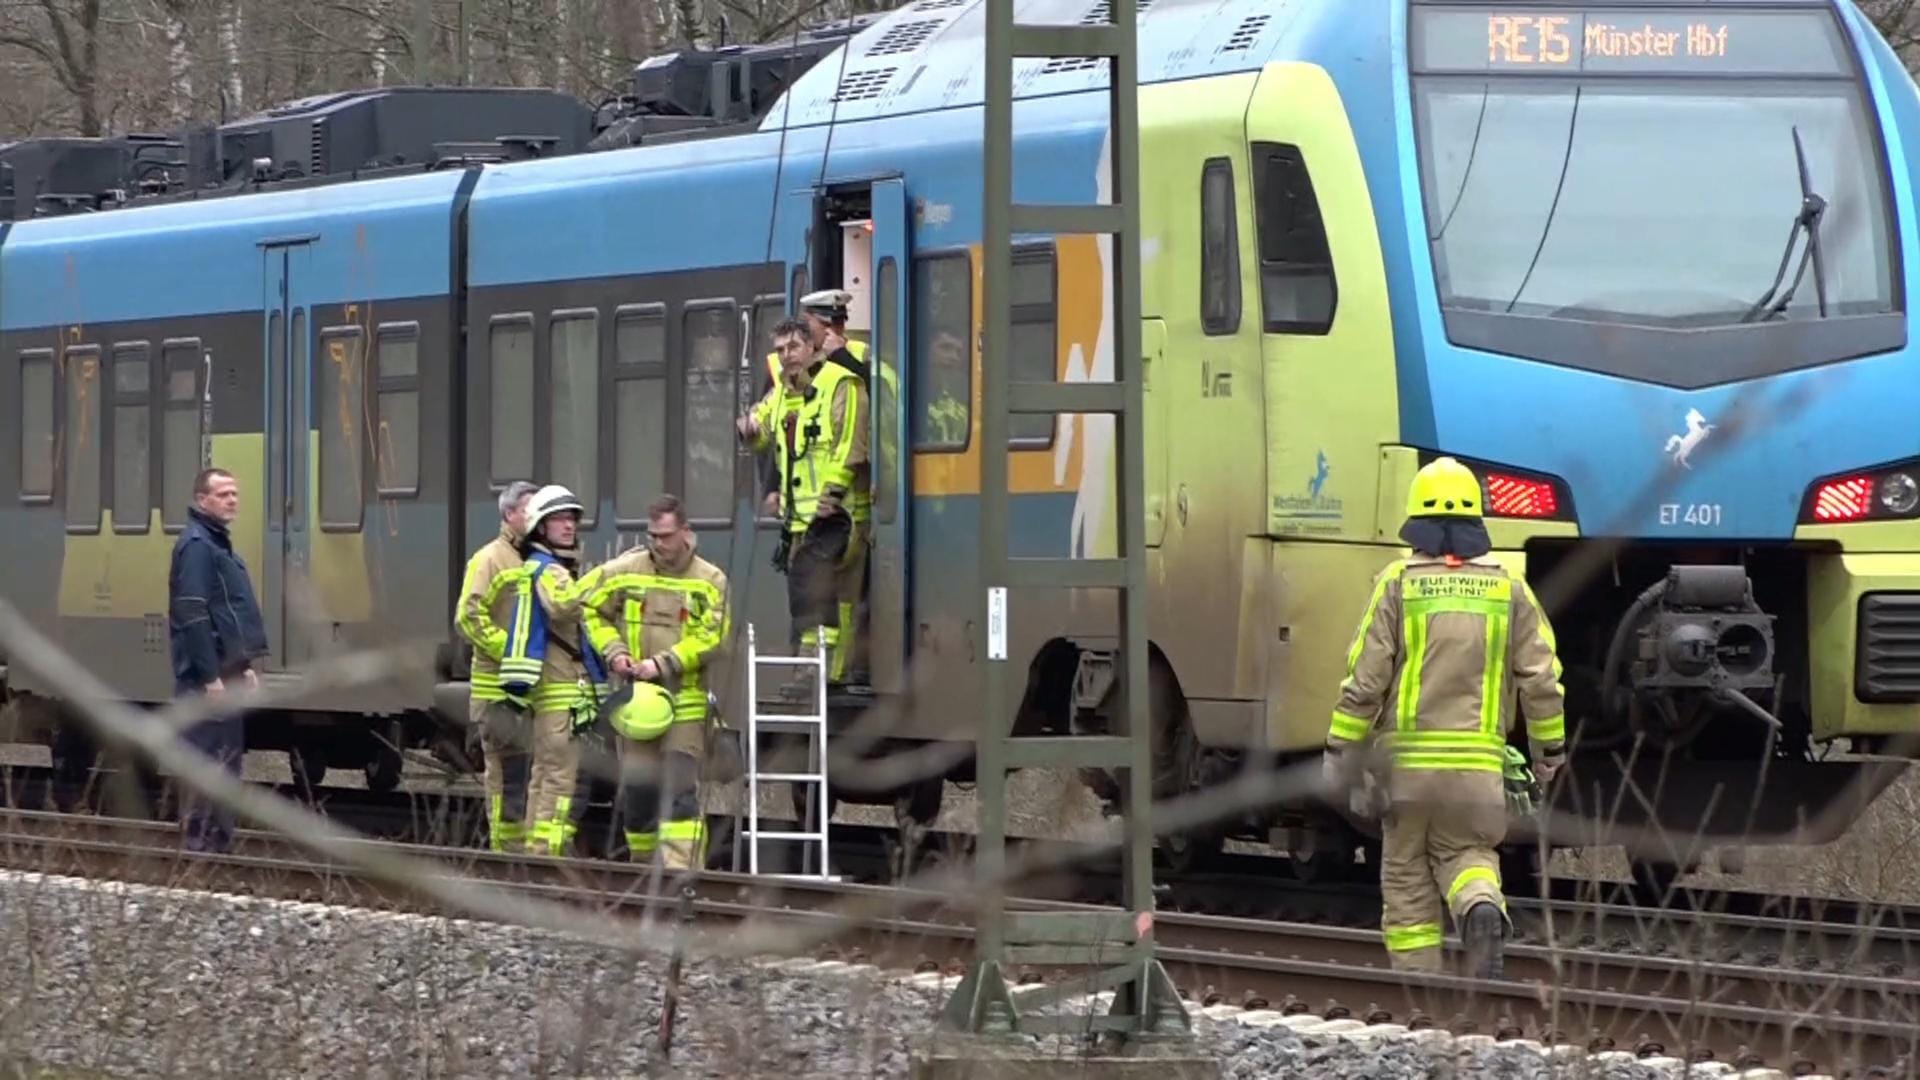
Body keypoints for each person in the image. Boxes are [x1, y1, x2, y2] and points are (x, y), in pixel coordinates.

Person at [1321, 456, 1567, 979]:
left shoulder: (1397, 584)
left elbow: (1364, 679)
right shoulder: (1510, 589)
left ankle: (1420, 996)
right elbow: (1543, 680)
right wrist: (1550, 754)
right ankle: (1480, 906)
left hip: (1405, 773)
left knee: (1408, 880)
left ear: (1417, 525)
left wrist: (1340, 752)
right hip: (1477, 776)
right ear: (1477, 523)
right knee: (1469, 857)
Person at [576, 494, 730, 869]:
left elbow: (714, 637)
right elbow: (586, 606)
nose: (658, 544)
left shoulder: (711, 580)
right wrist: (614, 652)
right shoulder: (625, 570)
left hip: (685, 704)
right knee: (639, 794)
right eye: (653, 536)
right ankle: (643, 868)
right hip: (637, 706)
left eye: (665, 535)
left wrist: (662, 664)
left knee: (679, 792)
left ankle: (681, 875)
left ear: (685, 532)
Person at [737, 318, 871, 690]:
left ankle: (822, 668)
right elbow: (760, 431)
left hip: (840, 511)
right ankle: (824, 670)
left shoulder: (843, 384)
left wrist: (833, 492)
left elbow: (851, 445)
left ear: (813, 348)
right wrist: (747, 429)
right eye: (780, 350)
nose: (786, 357)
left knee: (814, 579)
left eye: (793, 347)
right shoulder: (781, 393)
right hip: (799, 518)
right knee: (817, 586)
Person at [167, 467, 269, 853]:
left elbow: (227, 616)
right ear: (201, 499)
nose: (232, 500)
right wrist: (210, 678)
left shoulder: (217, 545)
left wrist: (243, 666)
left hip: (227, 678)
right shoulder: (196, 546)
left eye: (235, 494)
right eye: (223, 494)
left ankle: (217, 850)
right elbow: (193, 615)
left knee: (225, 766)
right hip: (204, 683)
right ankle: (199, 852)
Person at [499, 484, 604, 855]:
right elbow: (563, 606)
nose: (568, 526)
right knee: (560, 778)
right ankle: (548, 852)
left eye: (571, 518)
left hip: (551, 692)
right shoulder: (549, 570)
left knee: (543, 775)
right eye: (558, 519)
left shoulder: (541, 567)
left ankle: (536, 848)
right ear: (540, 528)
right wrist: (605, 577)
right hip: (559, 692)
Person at [454, 479, 538, 852]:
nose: (537, 517)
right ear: (509, 515)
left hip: (531, 691)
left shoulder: (535, 558)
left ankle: (519, 856)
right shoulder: (489, 559)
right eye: (529, 510)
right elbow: (468, 617)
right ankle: (506, 858)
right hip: (497, 694)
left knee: (526, 779)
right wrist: (514, 651)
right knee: (506, 782)